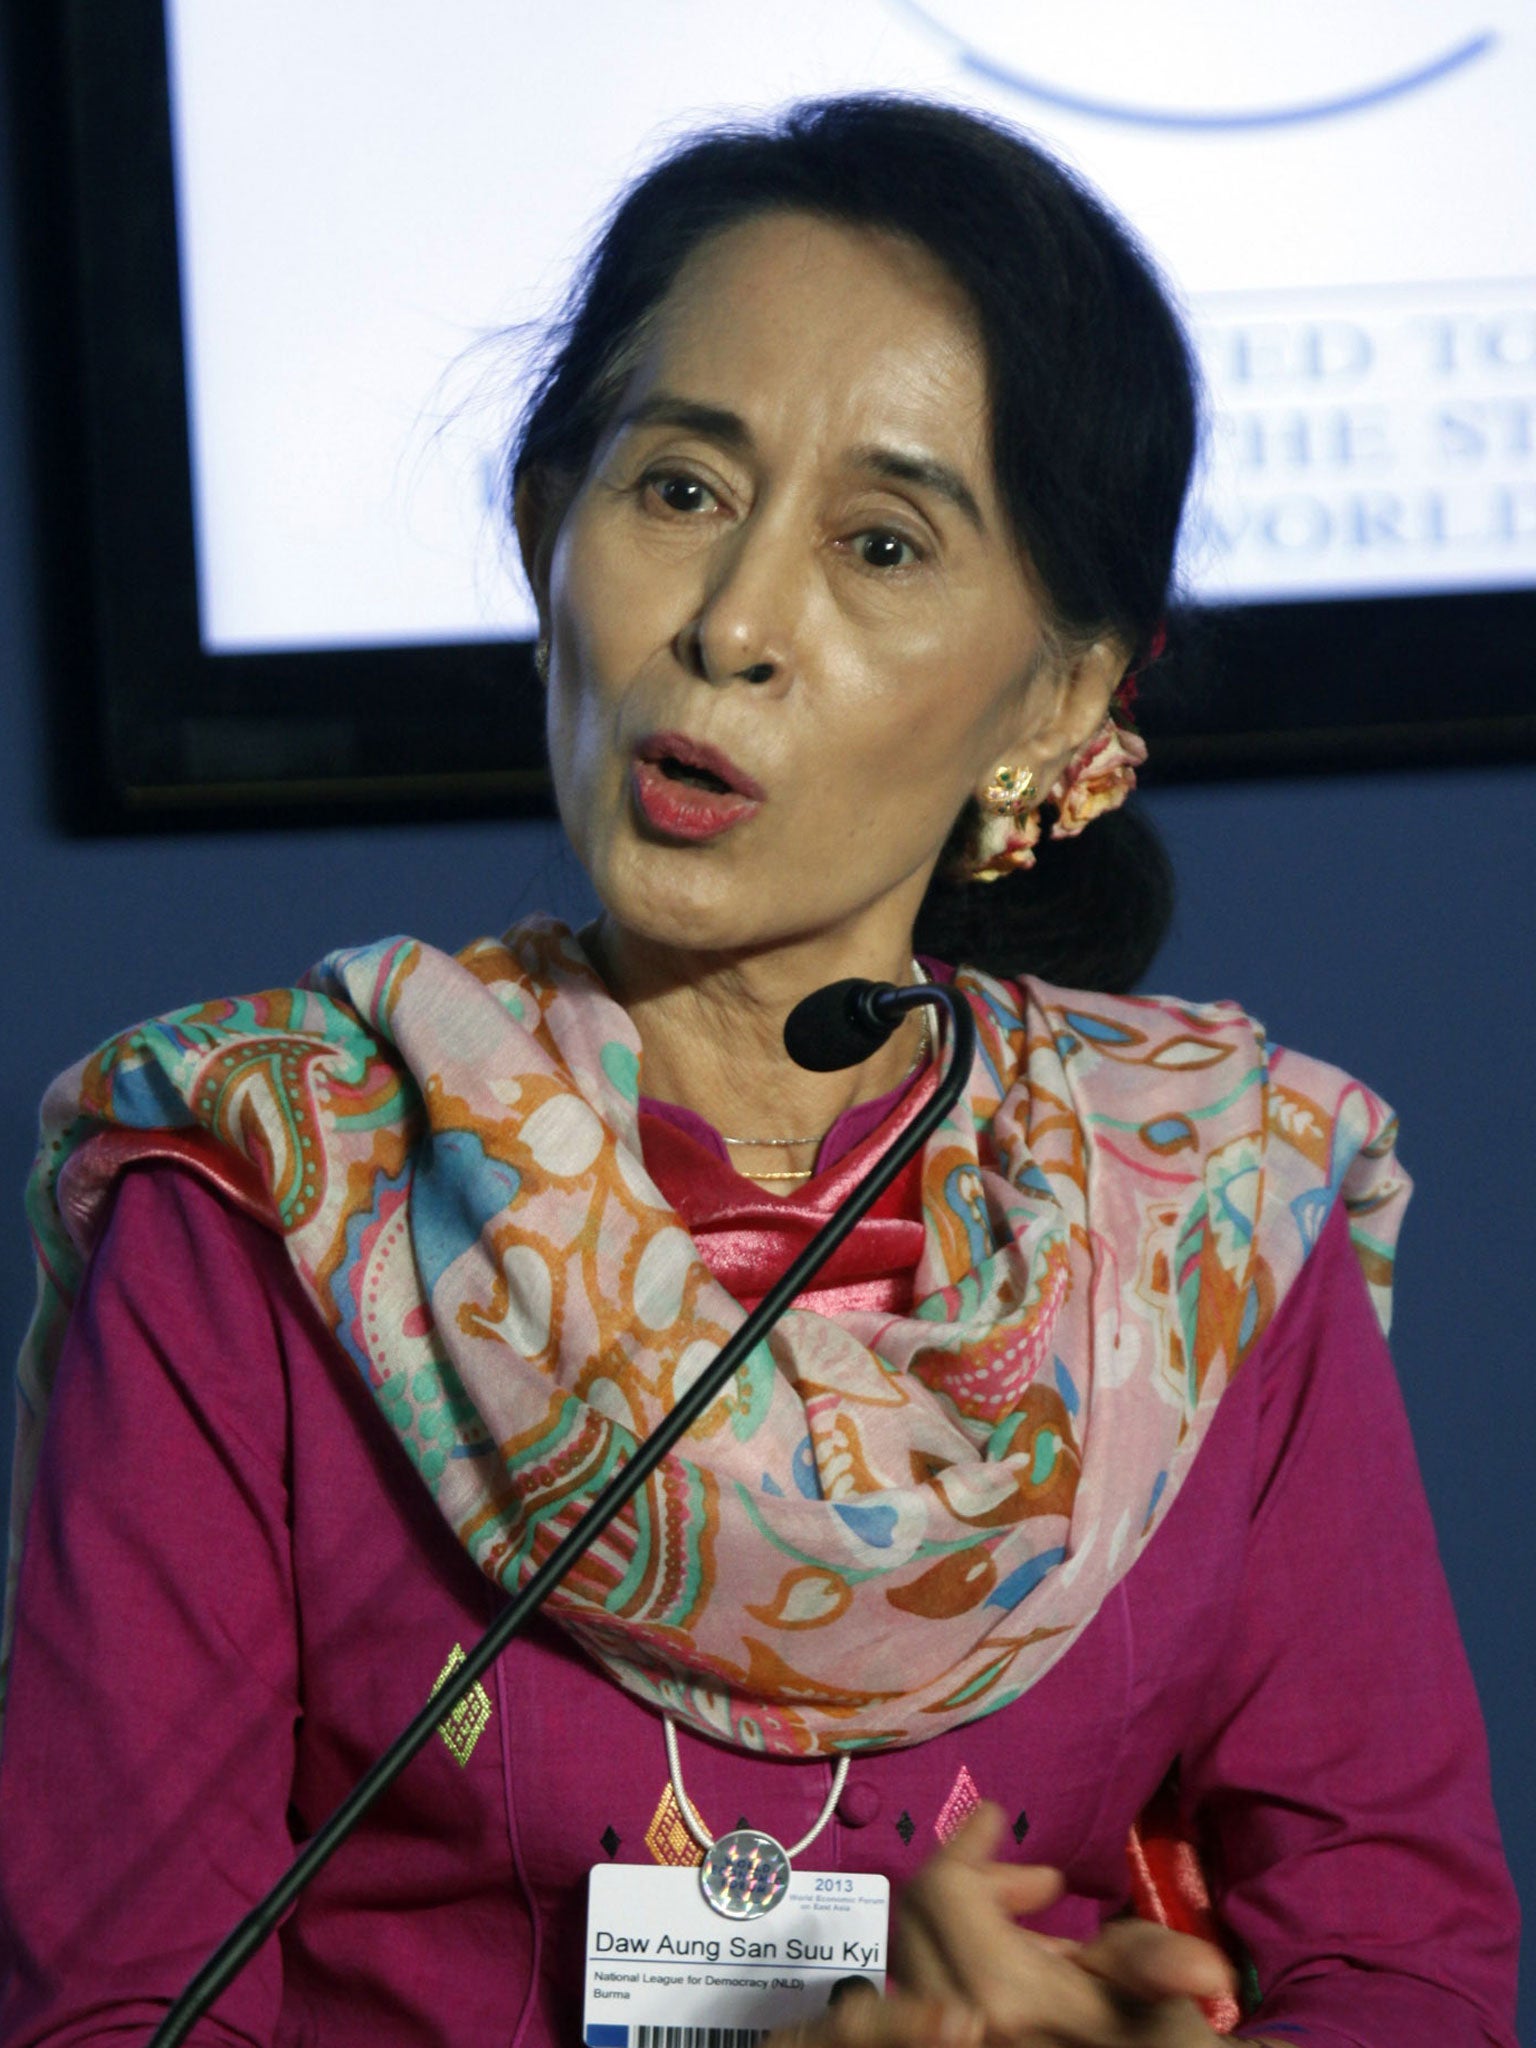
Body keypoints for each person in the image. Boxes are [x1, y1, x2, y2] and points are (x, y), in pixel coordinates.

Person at [0, 95, 1518, 2048]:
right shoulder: (266, 1193)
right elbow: (120, 2016)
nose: (729, 626)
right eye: (680, 490)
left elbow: (1404, 1981)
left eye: (881, 541)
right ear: (548, 524)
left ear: (1056, 701)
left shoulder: (1217, 1208)